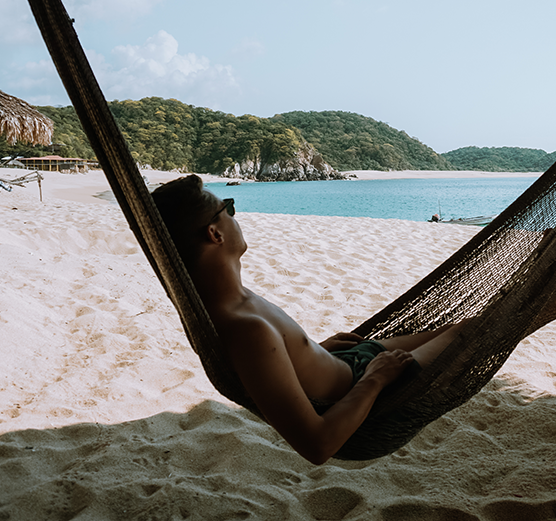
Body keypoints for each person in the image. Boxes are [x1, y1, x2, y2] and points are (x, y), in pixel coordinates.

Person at [151, 175, 463, 464]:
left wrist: (314, 350)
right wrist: (374, 379)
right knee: (473, 331)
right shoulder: (246, 328)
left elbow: (271, 360)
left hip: (348, 360)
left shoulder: (227, 299)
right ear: (214, 233)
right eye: (228, 208)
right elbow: (317, 445)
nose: (235, 216)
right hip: (364, 388)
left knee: (453, 328)